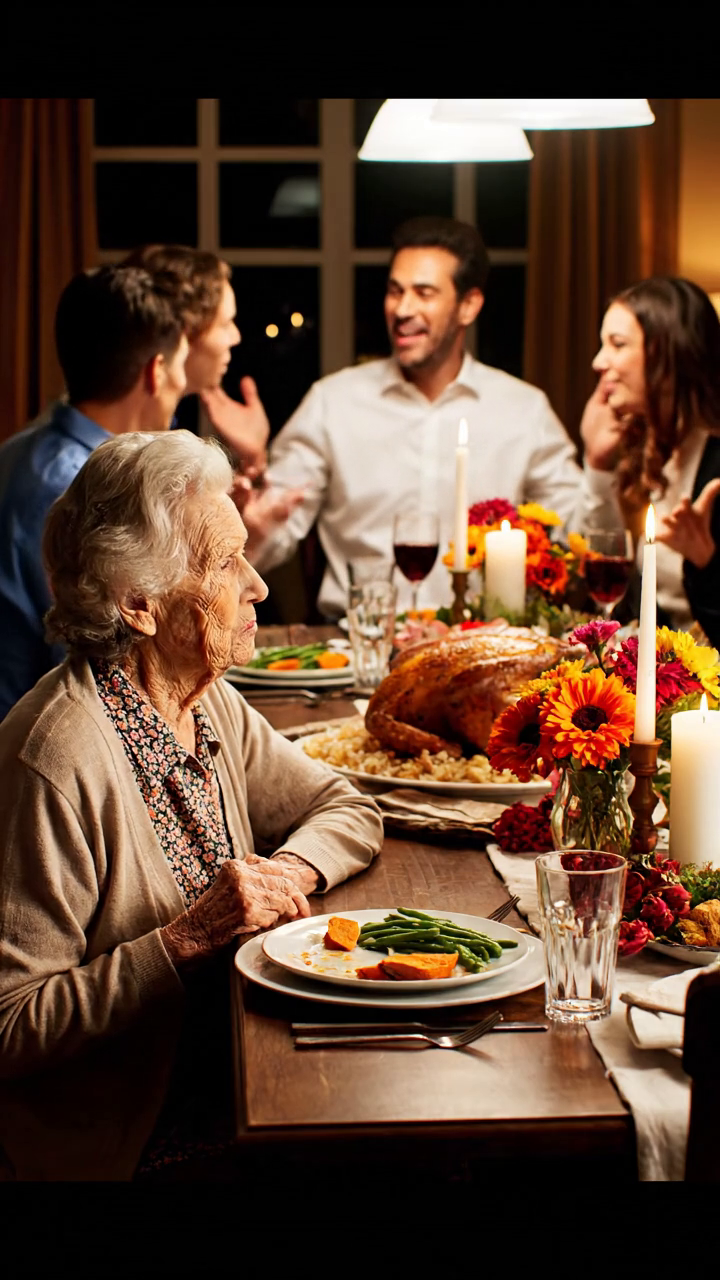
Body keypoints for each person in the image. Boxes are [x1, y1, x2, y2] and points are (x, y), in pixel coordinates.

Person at [0, 430, 382, 1182]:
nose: (258, 585)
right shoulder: (56, 756)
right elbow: (11, 1023)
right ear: (140, 603)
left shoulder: (209, 704)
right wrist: (180, 944)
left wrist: (290, 874)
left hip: (236, 1072)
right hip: (130, 1140)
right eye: (223, 562)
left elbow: (346, 806)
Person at [244, 216, 621, 618]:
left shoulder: (523, 411)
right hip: (358, 650)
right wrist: (254, 520)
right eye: (395, 291)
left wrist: (598, 467)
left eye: (424, 293)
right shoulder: (332, 403)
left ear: (469, 305)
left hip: (480, 645)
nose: (403, 309)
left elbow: (581, 545)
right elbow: (261, 550)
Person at [0, 266, 189, 721]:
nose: (183, 386)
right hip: (36, 747)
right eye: (181, 365)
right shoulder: (79, 488)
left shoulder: (20, 450)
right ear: (156, 372)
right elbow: (107, 664)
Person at [580, 276, 720, 644]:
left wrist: (707, 564)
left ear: (666, 352)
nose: (599, 362)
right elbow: (606, 592)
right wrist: (596, 464)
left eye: (617, 344)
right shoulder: (646, 451)